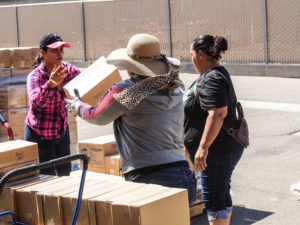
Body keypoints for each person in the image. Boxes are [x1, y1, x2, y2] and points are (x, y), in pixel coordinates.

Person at [65, 33, 197, 205]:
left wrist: (77, 106)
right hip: (182, 172)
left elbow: (97, 116)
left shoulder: (130, 92)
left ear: (131, 65)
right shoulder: (175, 88)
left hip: (150, 175)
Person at [185, 35, 244, 225]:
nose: (191, 58)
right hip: (222, 149)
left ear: (201, 54)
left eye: (191, 53)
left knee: (214, 200)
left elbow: (218, 113)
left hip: (217, 151)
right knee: (221, 194)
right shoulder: (215, 74)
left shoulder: (212, 78)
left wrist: (203, 148)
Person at [24, 33, 81, 176]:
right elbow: (36, 103)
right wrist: (50, 85)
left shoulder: (69, 70)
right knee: (46, 179)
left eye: (61, 49)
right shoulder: (36, 76)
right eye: (54, 50)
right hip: (40, 135)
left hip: (61, 131)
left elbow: (86, 83)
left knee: (64, 174)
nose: (60, 53)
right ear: (42, 52)